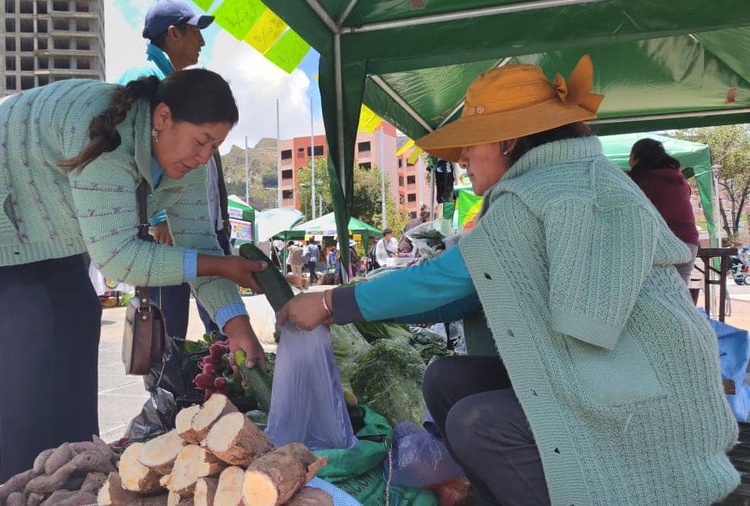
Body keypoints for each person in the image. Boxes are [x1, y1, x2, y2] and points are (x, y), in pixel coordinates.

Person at [277, 55, 739, 504]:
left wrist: (333, 303)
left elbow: (445, 279)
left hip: (630, 385)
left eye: (471, 142)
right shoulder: (550, 182)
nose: (462, 157)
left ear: (506, 141)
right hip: (596, 368)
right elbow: (461, 293)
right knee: (445, 380)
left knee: (478, 423)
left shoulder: (545, 189)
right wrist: (358, 308)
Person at [0, 69, 269, 491]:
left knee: (78, 317)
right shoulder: (102, 132)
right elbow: (119, 259)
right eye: (201, 141)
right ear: (161, 118)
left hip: (40, 212)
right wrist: (220, 266)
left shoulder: (189, 161)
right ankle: (11, 488)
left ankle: (73, 476)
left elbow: (201, 243)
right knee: (25, 330)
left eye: (215, 146)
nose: (205, 157)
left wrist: (238, 326)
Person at [117, 0, 231, 340]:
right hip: (169, 226)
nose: (202, 42)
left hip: (202, 222)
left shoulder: (177, 84)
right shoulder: (145, 79)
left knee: (217, 320)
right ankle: (163, 391)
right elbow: (127, 153)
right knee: (168, 330)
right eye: (196, 31)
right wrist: (156, 220)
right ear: (173, 34)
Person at [628, 138, 700, 285]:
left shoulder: (637, 181)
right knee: (680, 299)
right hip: (689, 242)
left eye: (630, 157)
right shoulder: (678, 178)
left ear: (636, 158)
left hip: (661, 244)